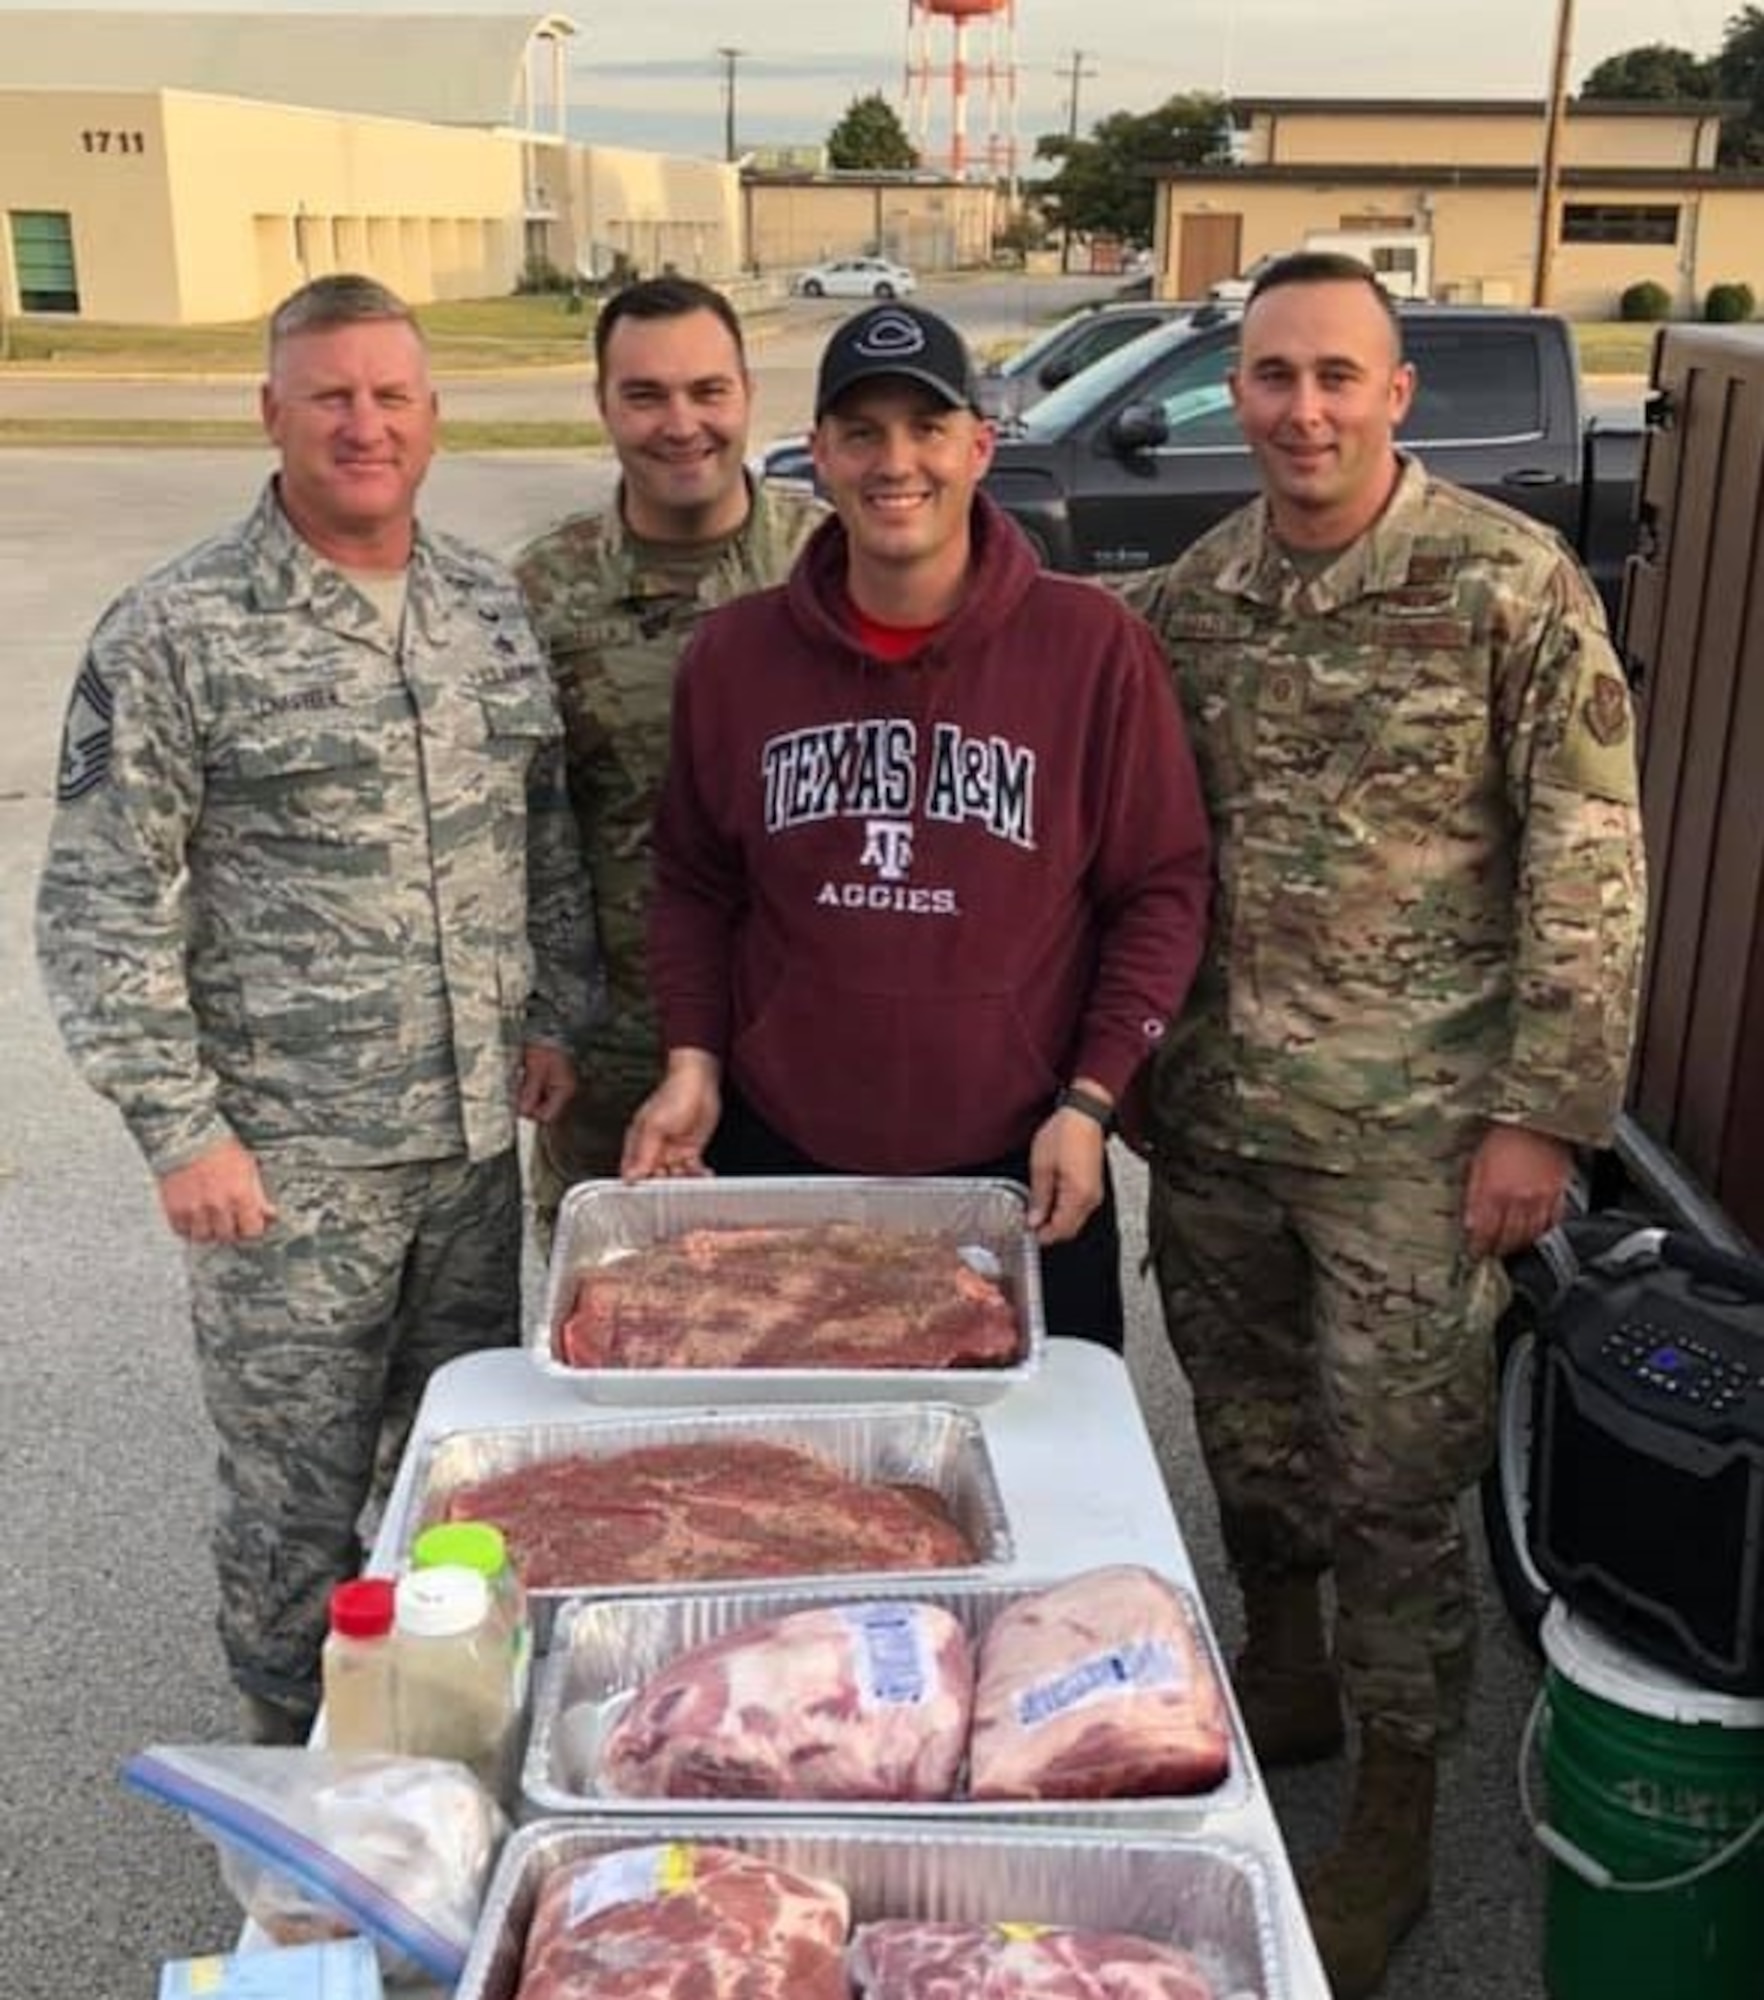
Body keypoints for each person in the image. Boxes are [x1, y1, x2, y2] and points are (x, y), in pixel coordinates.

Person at [1120, 252, 1648, 1997]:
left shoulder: (1505, 586)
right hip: (1218, 1133)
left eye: (1335, 375)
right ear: (1233, 394)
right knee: (1250, 1439)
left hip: (1418, 1153)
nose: (1300, 409)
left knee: (1395, 1489)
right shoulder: (1191, 600)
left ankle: (1394, 1822)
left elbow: (1582, 863)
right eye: (1268, 377)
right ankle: (1279, 1674)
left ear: (1394, 392)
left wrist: (1541, 1121)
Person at [35, 274, 597, 1742]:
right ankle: (301, 1779)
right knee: (295, 1504)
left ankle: (439, 1759)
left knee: (462, 1490)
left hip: (472, 1155)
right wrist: (181, 1133)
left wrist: (553, 1012)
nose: (365, 424)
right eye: (331, 395)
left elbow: (539, 833)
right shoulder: (175, 630)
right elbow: (99, 901)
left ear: (433, 416)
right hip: (288, 1180)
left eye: (392, 395)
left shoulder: (484, 605)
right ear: (270, 411)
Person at [622, 301, 1212, 1346]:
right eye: (862, 432)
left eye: (927, 428)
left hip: (1024, 1156)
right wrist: (693, 1060)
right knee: (790, 1484)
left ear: (980, 447)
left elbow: (1159, 888)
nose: (896, 462)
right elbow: (696, 884)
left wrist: (1093, 1098)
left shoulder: (1091, 649)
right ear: (820, 457)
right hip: (784, 1152)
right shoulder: (735, 656)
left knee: (1045, 1484)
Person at [514, 275, 824, 1243]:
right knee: (618, 1345)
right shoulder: (540, 594)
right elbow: (513, 832)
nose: (681, 423)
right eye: (645, 395)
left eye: (707, 391)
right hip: (616, 1067)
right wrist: (537, 1017)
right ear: (602, 404)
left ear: (747, 395)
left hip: (814, 1053)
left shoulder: (838, 563)